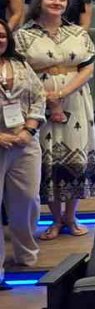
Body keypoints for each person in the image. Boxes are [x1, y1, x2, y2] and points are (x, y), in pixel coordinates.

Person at [15, 0, 95, 239]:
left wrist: (62, 94)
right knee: (48, 156)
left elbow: (88, 68)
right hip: (38, 102)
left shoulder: (78, 33)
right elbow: (21, 71)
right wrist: (49, 100)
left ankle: (71, 218)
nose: (57, 2)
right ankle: (54, 219)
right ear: (40, 0)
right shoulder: (23, 35)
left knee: (76, 155)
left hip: (75, 100)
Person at [0, 19, 43, 286]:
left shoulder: (21, 65)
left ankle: (26, 254)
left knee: (28, 199)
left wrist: (29, 129)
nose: (0, 40)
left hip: (24, 142)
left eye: (3, 35)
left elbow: (39, 97)